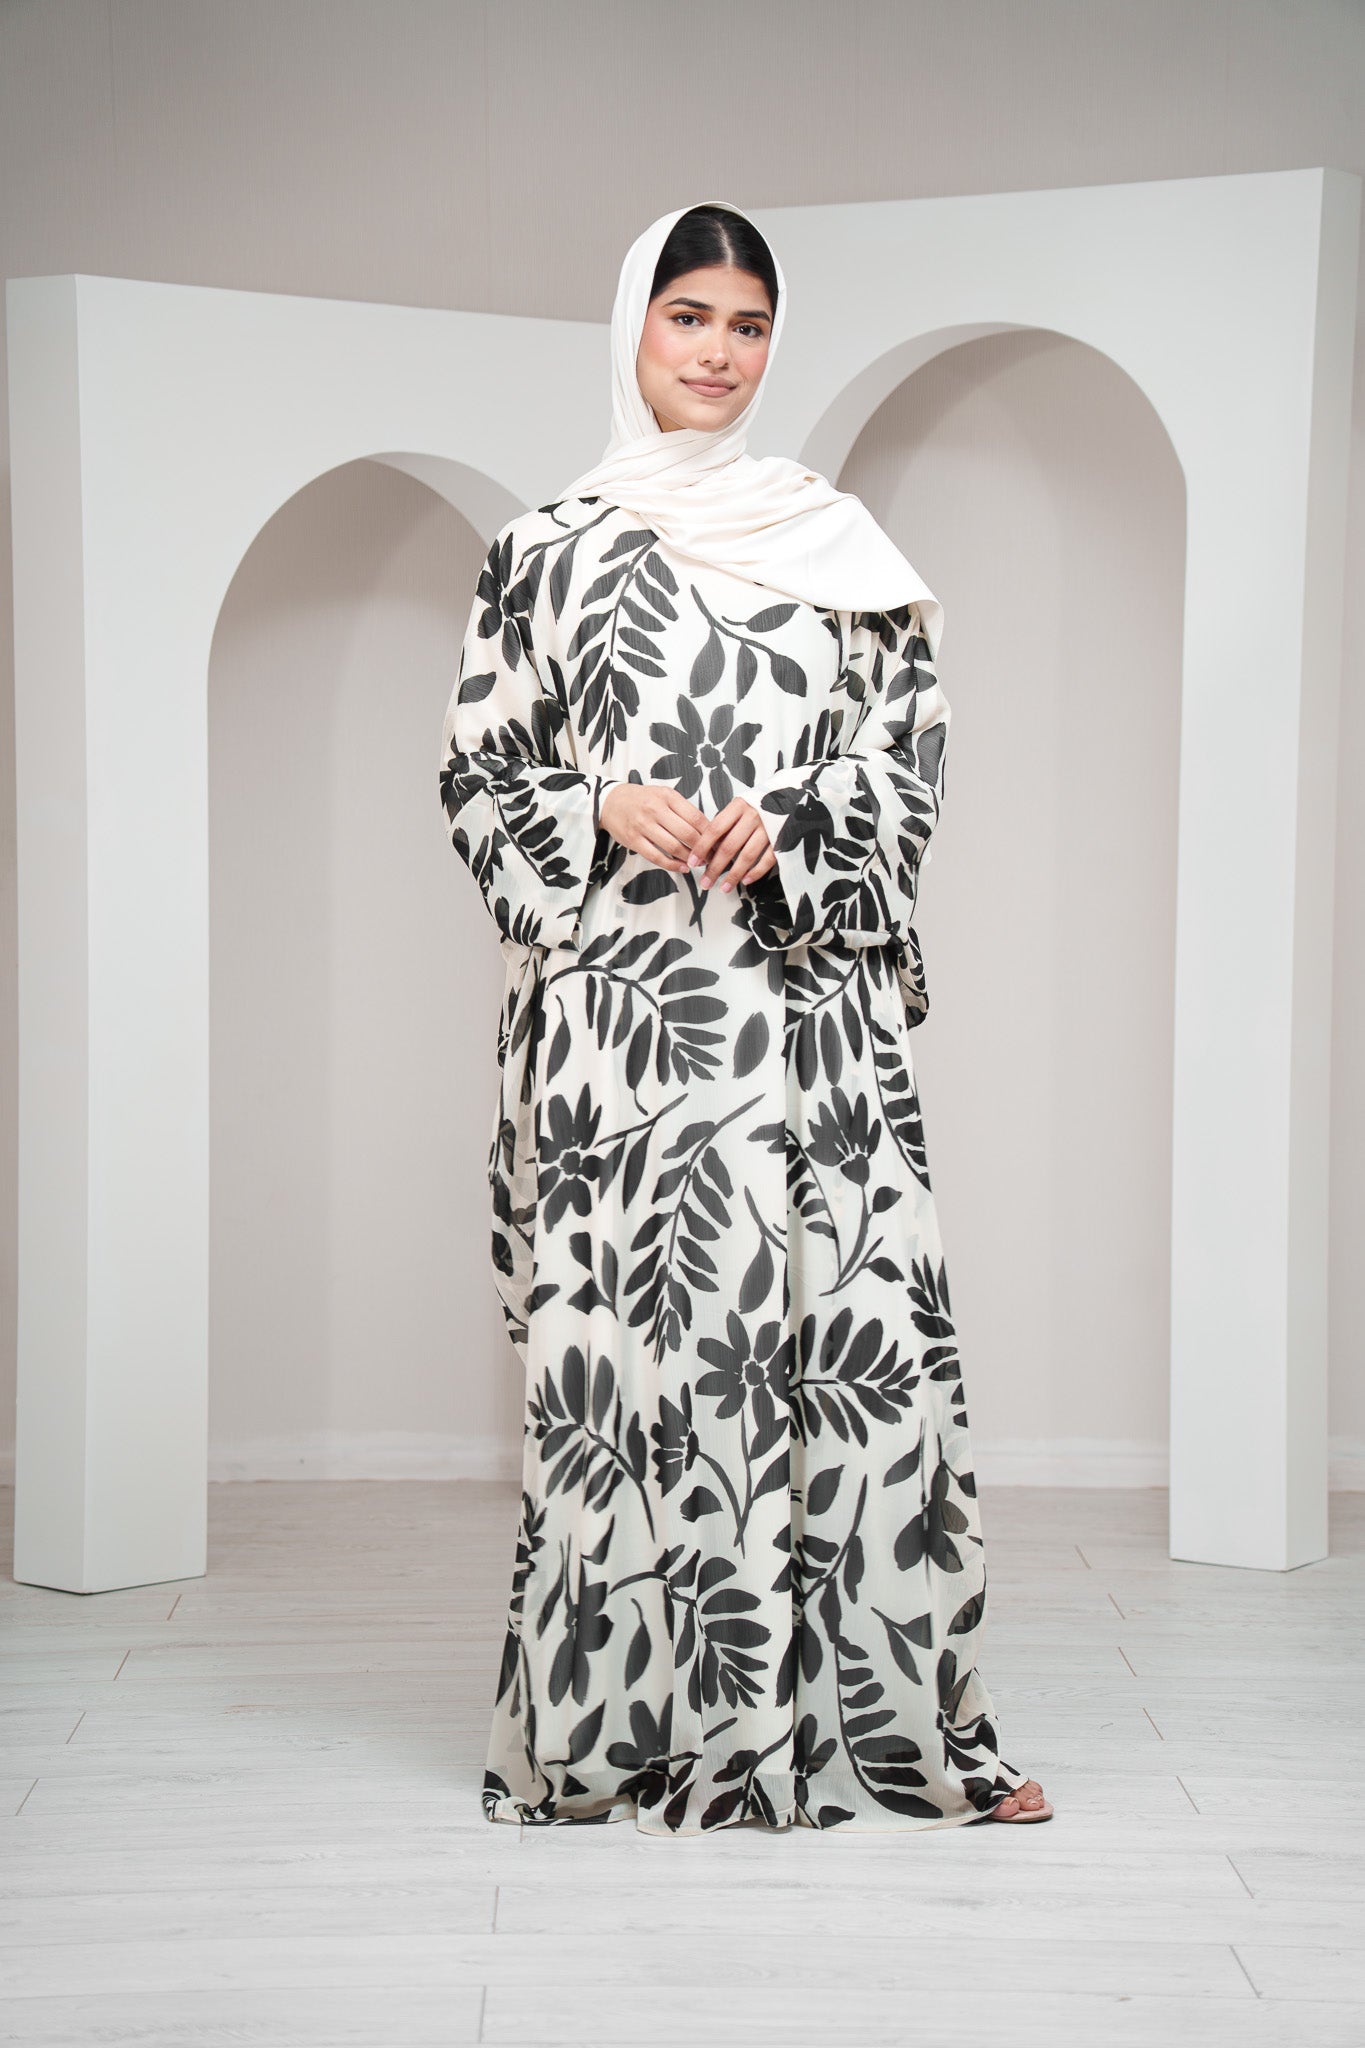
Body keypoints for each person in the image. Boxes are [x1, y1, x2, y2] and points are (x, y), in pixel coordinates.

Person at [438, 197, 1051, 1833]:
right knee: (640, 1373)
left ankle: (891, 1735)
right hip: (623, 1027)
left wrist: (789, 825)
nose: (718, 352)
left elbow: (904, 756)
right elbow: (482, 771)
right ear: (632, 326)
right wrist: (600, 805)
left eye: (749, 324)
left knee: (852, 1359)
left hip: (806, 1015)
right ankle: (629, 1740)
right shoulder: (544, 551)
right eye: (689, 315)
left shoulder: (835, 544)